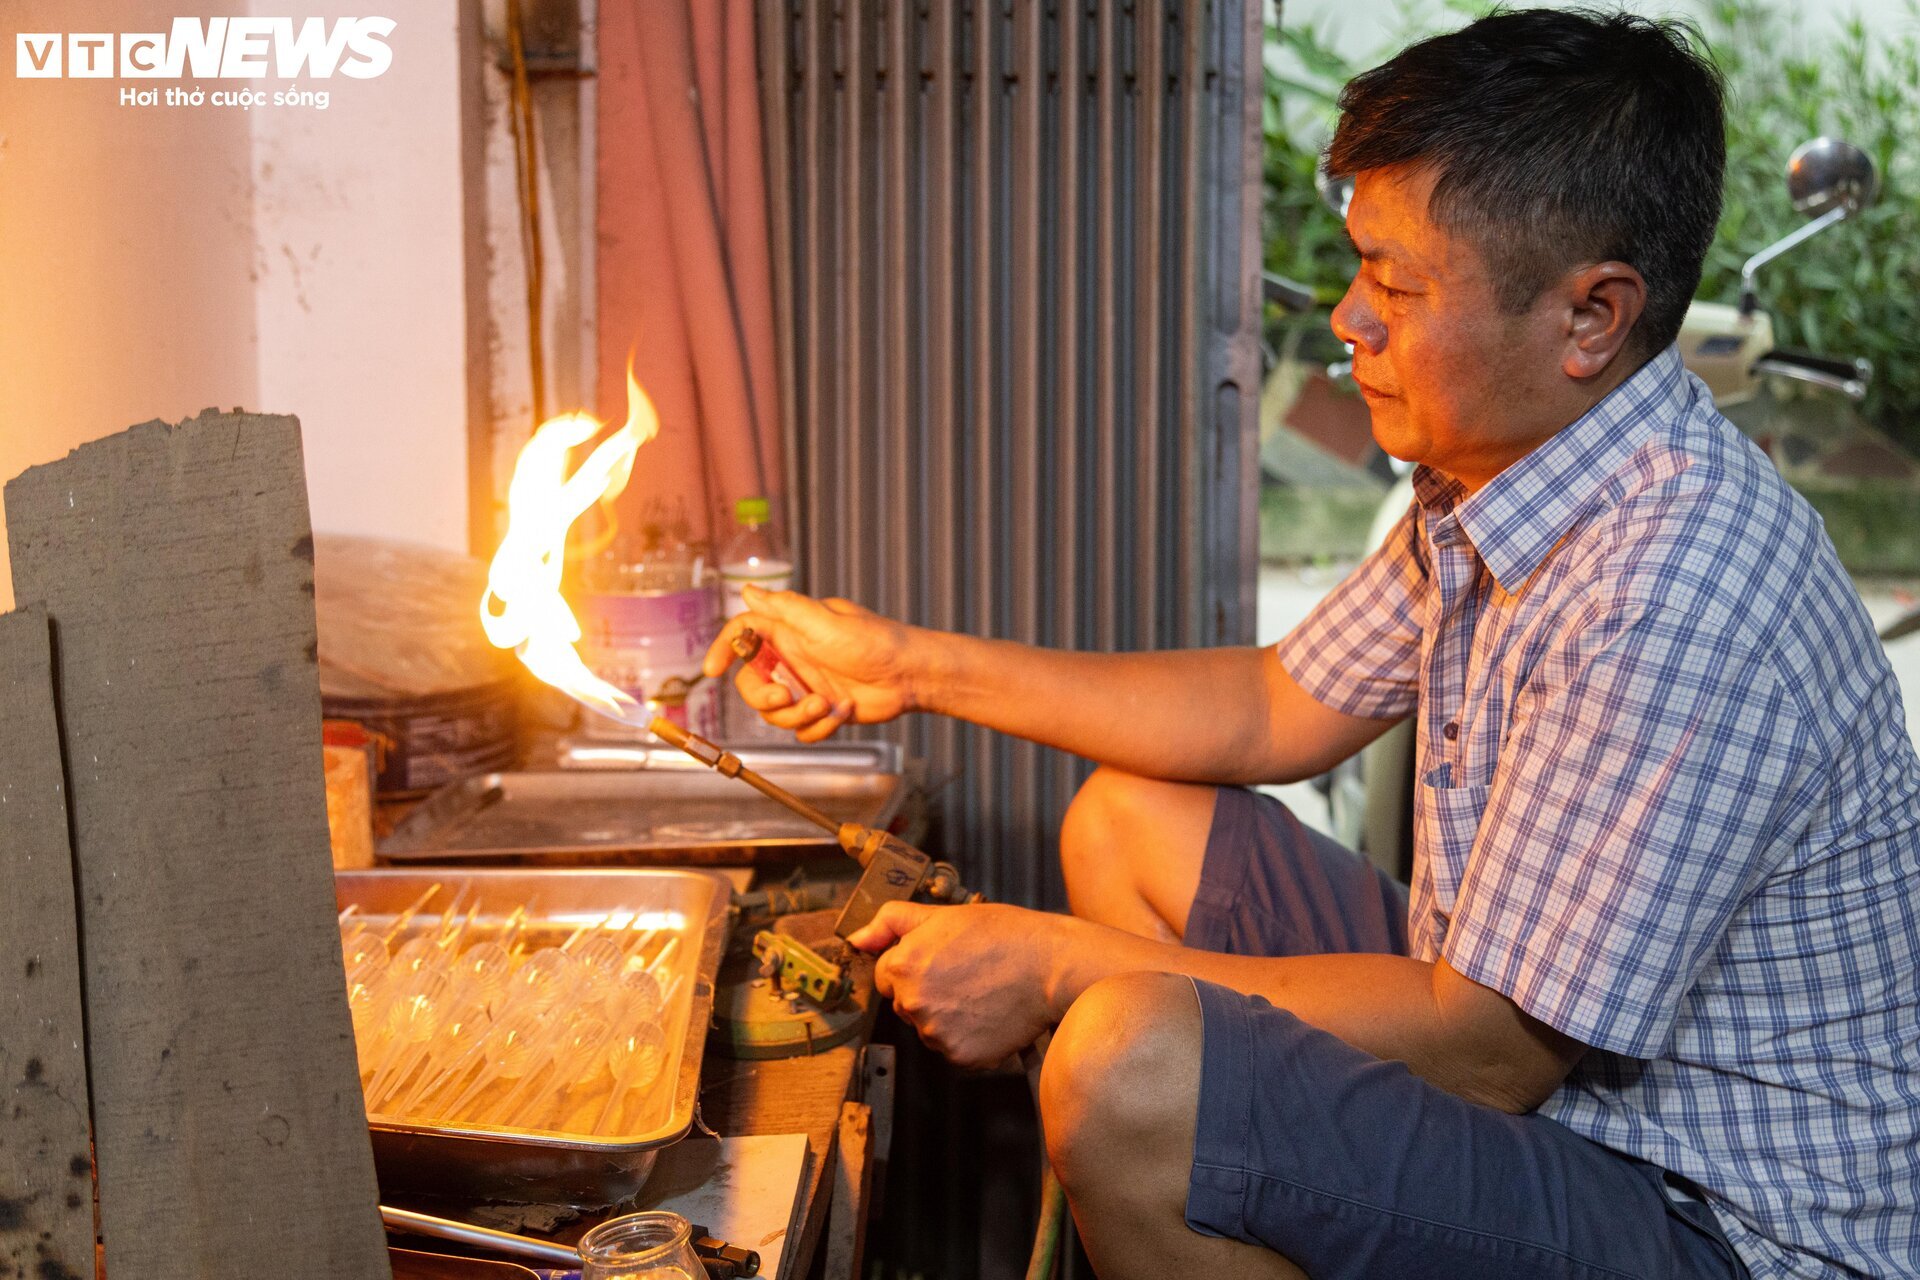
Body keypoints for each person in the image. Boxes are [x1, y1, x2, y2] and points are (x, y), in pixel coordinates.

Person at [702, 10, 1920, 1278]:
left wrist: (1059, 969)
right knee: (1130, 822)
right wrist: (901, 665)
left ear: (1590, 317)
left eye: (1396, 286)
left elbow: (1489, 1048)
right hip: (1550, 1072)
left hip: (1710, 1213)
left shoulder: (1674, 585)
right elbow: (1273, 706)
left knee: (1127, 1064)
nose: (1348, 319)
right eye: (1357, 268)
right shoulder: (1508, 462)